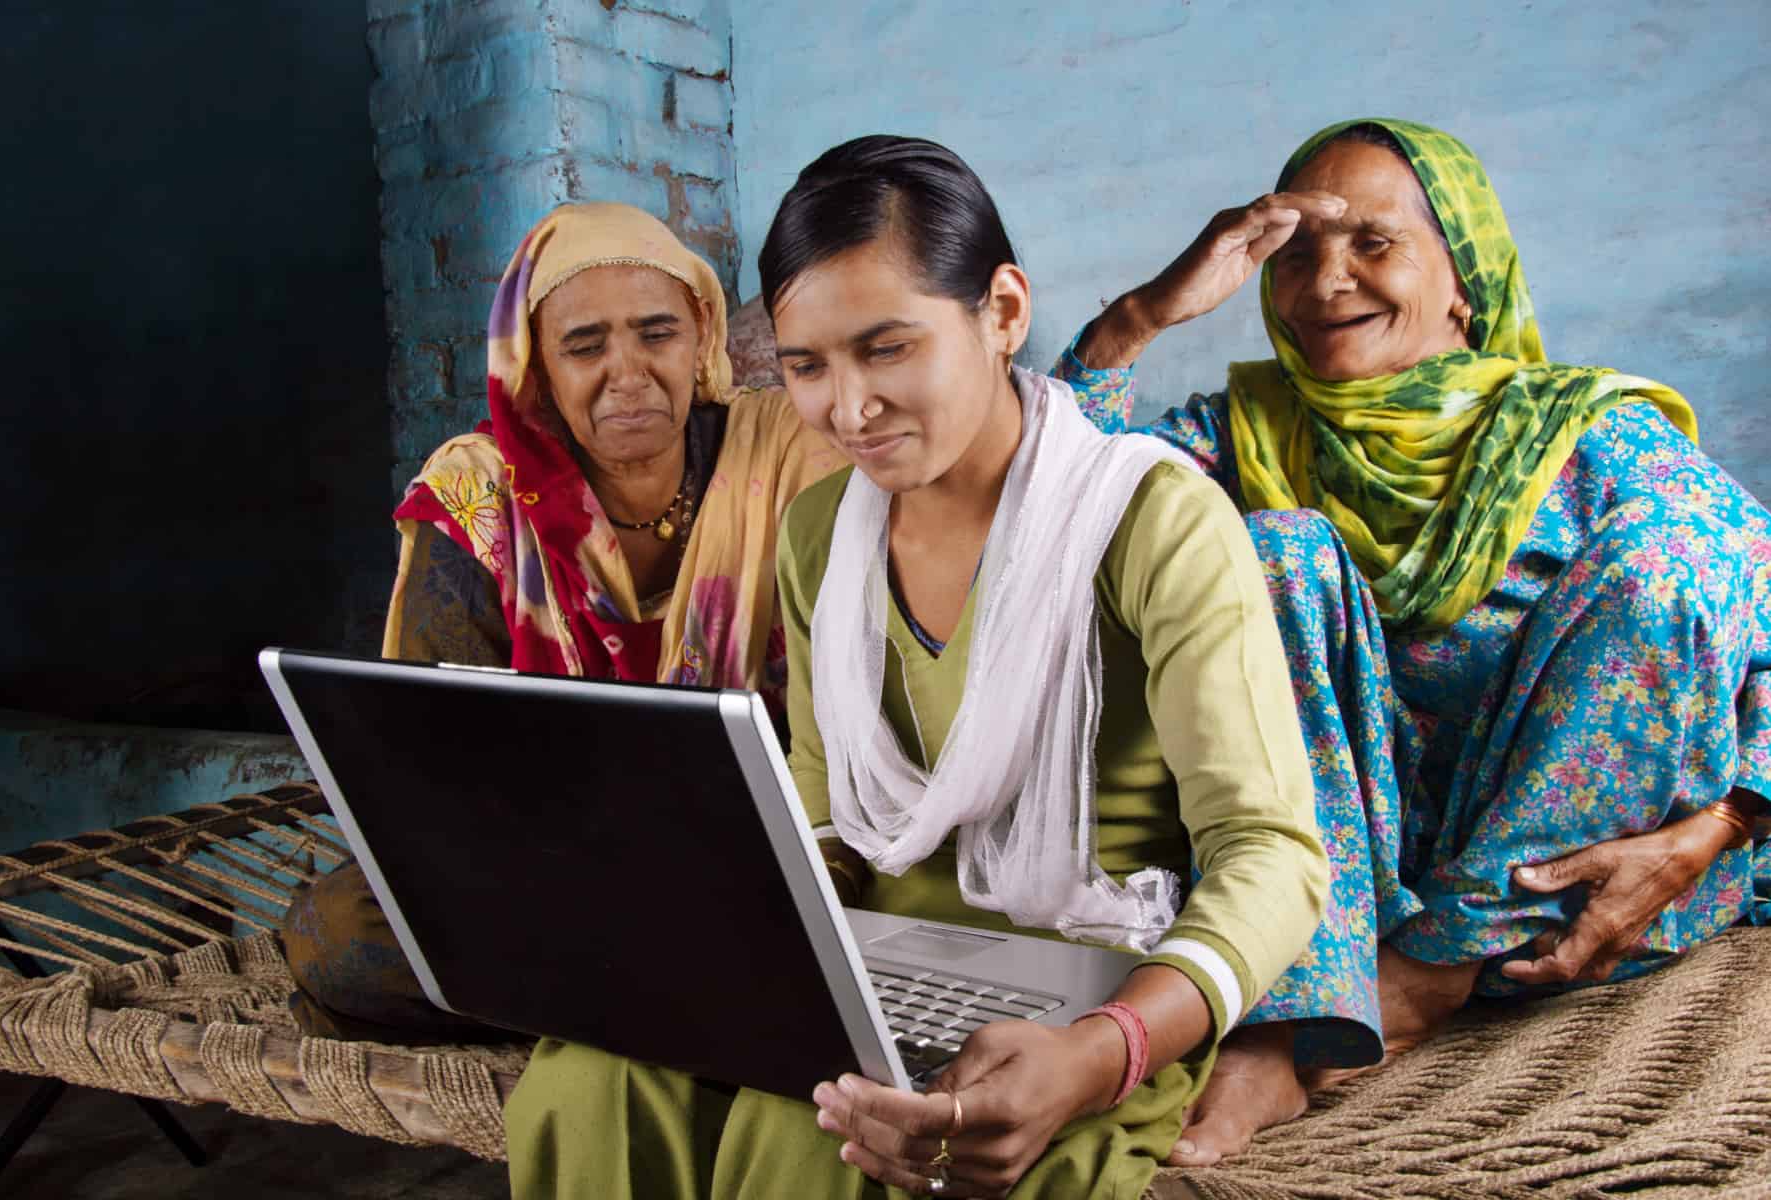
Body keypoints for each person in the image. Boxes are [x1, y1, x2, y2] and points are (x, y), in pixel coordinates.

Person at [503, 135, 1330, 1199]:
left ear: (1002, 311)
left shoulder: (1149, 521)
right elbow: (820, 801)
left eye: (885, 348)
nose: (847, 409)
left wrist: (1099, 1052)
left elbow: (1270, 854)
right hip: (864, 971)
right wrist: (747, 949)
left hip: (1081, 1002)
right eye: (805, 367)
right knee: (591, 1082)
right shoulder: (818, 534)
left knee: (811, 1143)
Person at [1055, 117, 1771, 1165]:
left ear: (1460, 284)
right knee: (1273, 550)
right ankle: (1302, 999)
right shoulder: (1236, 434)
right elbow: (1056, 516)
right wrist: (1138, 316)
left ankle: (1429, 972)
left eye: (1372, 244)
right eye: (1292, 252)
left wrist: (1715, 825)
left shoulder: (1586, 433)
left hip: (1565, 886)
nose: (1324, 279)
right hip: (1345, 877)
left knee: (1672, 558)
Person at [279, 203, 842, 1043]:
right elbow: (434, 753)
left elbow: (854, 685)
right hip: (550, 860)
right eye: (584, 346)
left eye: (658, 333)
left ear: (702, 338)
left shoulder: (787, 449)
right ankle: (694, 1001)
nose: (629, 372)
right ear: (537, 364)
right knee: (343, 937)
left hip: (757, 842)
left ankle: (601, 1004)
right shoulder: (481, 494)